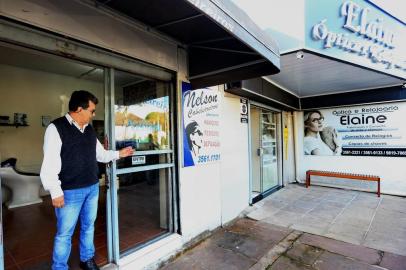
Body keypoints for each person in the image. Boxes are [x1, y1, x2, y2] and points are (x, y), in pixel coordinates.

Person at [40, 90, 134, 270]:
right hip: (69, 192)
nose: (93, 114)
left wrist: (119, 154)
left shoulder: (89, 130)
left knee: (88, 226)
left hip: (92, 188)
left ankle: (87, 259)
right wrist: (55, 191)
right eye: (91, 110)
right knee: (64, 234)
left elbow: (101, 154)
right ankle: (59, 267)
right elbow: (50, 162)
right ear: (78, 109)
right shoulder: (56, 128)